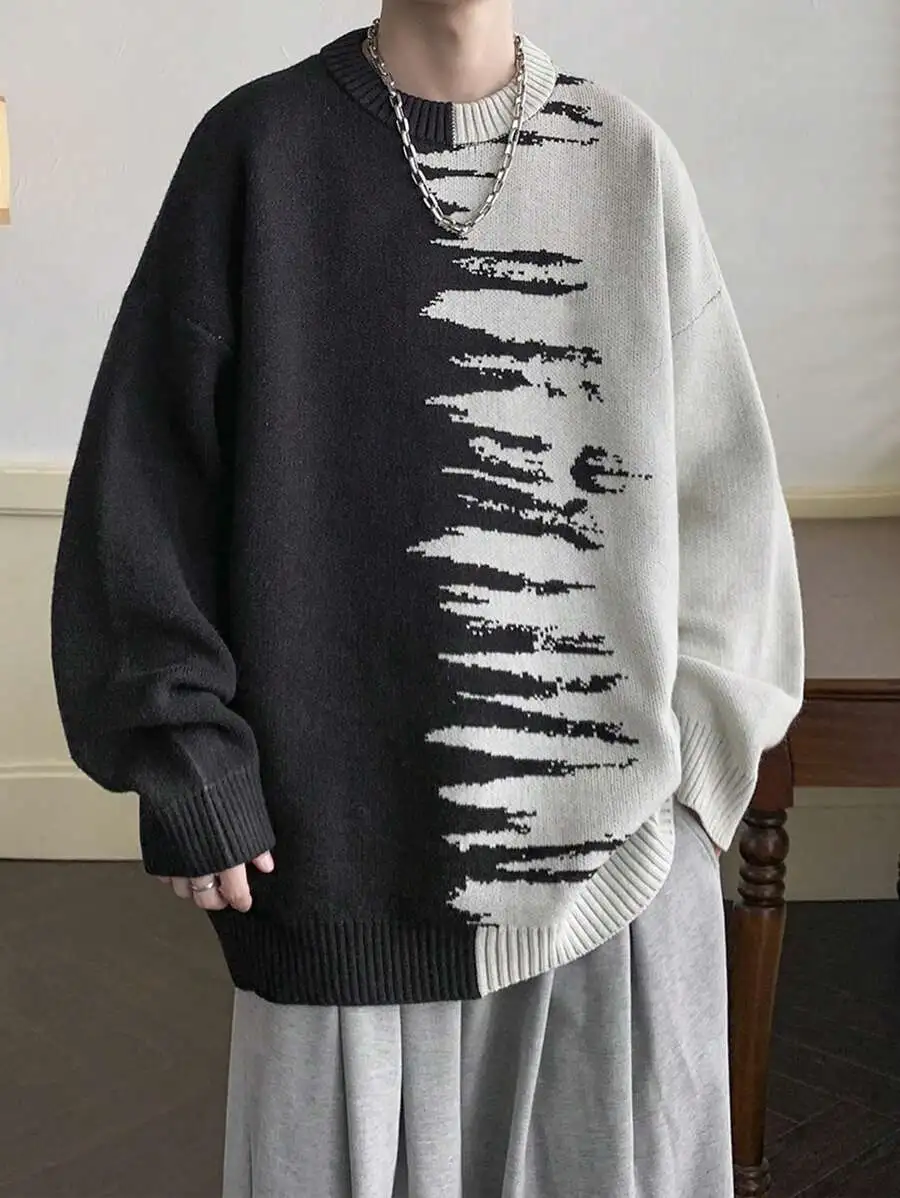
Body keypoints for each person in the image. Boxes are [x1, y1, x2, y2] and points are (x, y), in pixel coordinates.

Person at [50, 1, 805, 1194]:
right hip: (332, 873)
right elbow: (141, 491)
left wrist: (692, 796)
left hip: (615, 880)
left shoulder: (625, 157)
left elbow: (730, 499)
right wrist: (185, 753)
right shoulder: (259, 152)